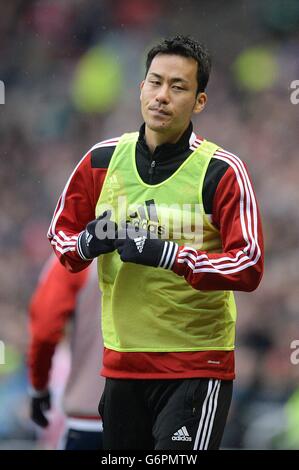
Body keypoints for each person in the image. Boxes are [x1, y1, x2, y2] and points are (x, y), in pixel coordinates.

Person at [48, 35, 264, 450]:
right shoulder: (101, 160)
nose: (163, 96)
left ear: (199, 101)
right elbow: (61, 238)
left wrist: (170, 256)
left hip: (197, 366)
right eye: (155, 82)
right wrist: (88, 243)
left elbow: (249, 263)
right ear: (141, 88)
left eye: (178, 86)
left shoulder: (223, 170)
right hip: (121, 366)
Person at [28, 255, 104, 450]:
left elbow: (45, 330)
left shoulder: (72, 252)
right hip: (156, 415)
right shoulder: (172, 243)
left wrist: (39, 387)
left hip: (89, 414)